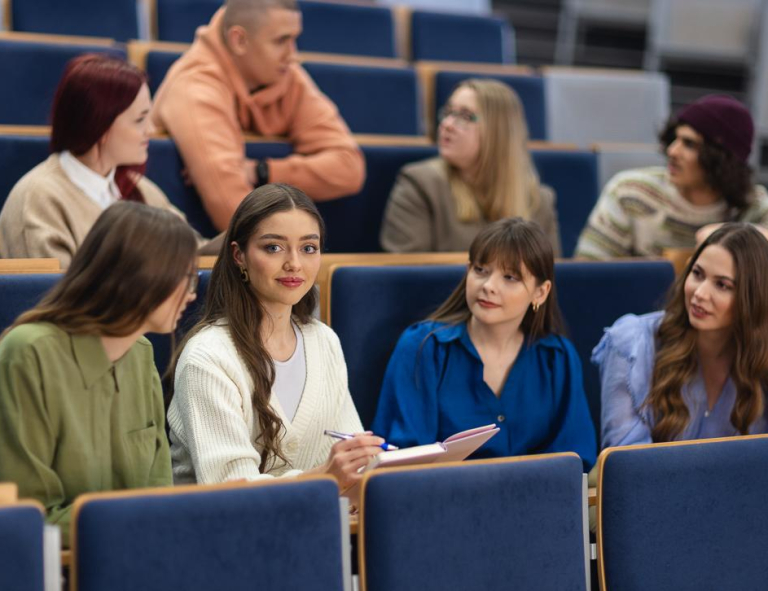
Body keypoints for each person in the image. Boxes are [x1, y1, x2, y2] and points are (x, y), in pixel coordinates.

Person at [0, 202, 199, 547]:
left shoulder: (141, 354)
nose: (192, 293)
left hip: (131, 556)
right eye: (185, 278)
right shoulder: (29, 352)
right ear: (140, 275)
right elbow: (30, 511)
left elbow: (157, 494)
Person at [168, 183, 383, 491]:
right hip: (222, 535)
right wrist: (326, 477)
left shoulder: (323, 340)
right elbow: (229, 489)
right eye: (274, 247)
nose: (294, 263)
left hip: (318, 526)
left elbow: (353, 458)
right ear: (239, 255)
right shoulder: (208, 356)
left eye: (308, 248)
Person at [371, 218, 596, 470]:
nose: (488, 286)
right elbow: (405, 458)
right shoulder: (422, 347)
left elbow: (575, 459)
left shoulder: (558, 357)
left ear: (540, 292)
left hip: (535, 501)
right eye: (480, 270)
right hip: (440, 502)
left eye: (510, 277)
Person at [152, 0, 365, 232]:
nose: (294, 56)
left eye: (294, 39)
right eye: (281, 40)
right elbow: (232, 211)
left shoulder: (289, 77)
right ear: (239, 40)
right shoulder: (194, 86)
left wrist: (262, 171)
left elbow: (349, 167)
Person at [0, 54, 220, 270]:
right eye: (140, 119)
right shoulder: (37, 200)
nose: (151, 130)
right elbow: (53, 299)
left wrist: (245, 230)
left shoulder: (140, 188)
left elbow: (195, 252)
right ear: (101, 125)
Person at [595, 222, 768, 449]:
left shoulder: (760, 354)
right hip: (653, 485)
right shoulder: (631, 344)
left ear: (753, 298)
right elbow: (627, 466)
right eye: (697, 274)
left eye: (722, 285)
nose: (700, 293)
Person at [380, 79, 561, 256]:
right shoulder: (420, 184)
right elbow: (408, 277)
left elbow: (549, 280)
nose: (447, 124)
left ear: (498, 131)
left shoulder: (539, 201)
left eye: (465, 116)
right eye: (448, 112)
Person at [575, 95, 768, 259]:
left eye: (689, 144)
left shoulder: (754, 207)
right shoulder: (631, 193)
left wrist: (734, 235)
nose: (672, 151)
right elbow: (587, 274)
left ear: (721, 159)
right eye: (674, 139)